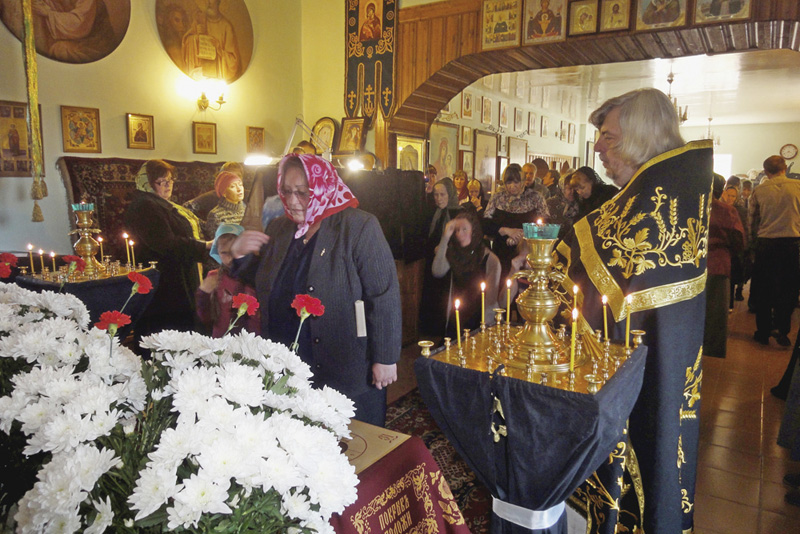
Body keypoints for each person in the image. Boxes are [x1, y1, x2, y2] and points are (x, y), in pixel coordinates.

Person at [559, 88, 712, 534]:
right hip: (640, 362)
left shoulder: (660, 205)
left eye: (608, 136)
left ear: (641, 136)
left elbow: (609, 296)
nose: (598, 148)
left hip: (643, 369)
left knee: (645, 455)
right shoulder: (653, 195)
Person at [230, 154, 401, 427]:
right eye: (286, 191)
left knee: (352, 440)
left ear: (323, 188)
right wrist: (239, 256)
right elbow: (267, 281)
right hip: (288, 363)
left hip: (342, 364)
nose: (292, 200)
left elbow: (384, 295)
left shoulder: (358, 226)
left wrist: (386, 357)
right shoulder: (280, 228)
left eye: (302, 192)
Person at [123, 159, 211, 343]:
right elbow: (166, 243)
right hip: (165, 285)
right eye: (161, 181)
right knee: (168, 336)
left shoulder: (162, 204)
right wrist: (204, 246)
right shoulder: (145, 206)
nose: (168, 185)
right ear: (147, 183)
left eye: (170, 180)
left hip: (176, 278)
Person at [749, 155, 800, 347]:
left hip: (766, 245)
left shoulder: (759, 190)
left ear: (765, 171)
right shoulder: (798, 187)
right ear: (784, 168)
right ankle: (783, 330)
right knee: (788, 290)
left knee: (763, 290)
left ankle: (763, 332)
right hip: (791, 244)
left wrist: (751, 247)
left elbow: (751, 221)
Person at [432, 210, 501, 336]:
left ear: (473, 231)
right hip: (457, 318)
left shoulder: (489, 258)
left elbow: (491, 300)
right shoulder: (453, 253)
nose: (460, 233)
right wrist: (445, 237)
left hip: (480, 320)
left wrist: (486, 328)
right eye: (457, 230)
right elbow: (437, 271)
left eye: (464, 229)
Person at [483, 163, 548, 285]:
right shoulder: (498, 198)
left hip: (527, 255)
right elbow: (485, 224)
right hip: (502, 253)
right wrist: (506, 230)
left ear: (523, 181)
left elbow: (545, 224)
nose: (512, 186)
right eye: (508, 183)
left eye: (516, 182)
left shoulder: (535, 198)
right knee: (503, 287)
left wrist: (522, 235)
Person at [703, 175, 744, 357]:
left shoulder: (689, 206)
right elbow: (738, 239)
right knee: (715, 312)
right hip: (718, 263)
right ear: (721, 190)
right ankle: (711, 351)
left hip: (689, 264)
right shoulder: (727, 211)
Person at [196, 224, 260, 338]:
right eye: (224, 253)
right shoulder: (214, 278)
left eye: (235, 251)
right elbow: (206, 318)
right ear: (217, 252)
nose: (230, 257)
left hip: (254, 342)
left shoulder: (258, 276)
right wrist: (204, 295)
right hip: (222, 342)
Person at [420, 177, 465, 336]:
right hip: (433, 260)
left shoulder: (459, 213)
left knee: (445, 297)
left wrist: (445, 248)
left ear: (450, 194)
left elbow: (462, 239)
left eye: (442, 194)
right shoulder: (435, 212)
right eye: (436, 195)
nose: (438, 198)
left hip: (449, 263)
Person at [182, 0, 240, 82]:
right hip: (199, 73)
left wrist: (218, 49)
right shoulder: (199, 20)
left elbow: (233, 61)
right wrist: (196, 37)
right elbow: (187, 42)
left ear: (218, 2)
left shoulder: (226, 26)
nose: (208, 2)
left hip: (217, 73)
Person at [721, 184, 748, 306]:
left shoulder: (740, 211)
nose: (730, 198)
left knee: (733, 276)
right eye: (729, 195)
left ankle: (731, 302)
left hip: (735, 248)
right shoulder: (720, 208)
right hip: (724, 246)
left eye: (733, 196)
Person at [205, 170, 246, 237]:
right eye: (232, 186)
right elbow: (217, 241)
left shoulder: (247, 210)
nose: (239, 189)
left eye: (240, 185)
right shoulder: (215, 215)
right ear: (224, 193)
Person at [546, 172, 579, 237]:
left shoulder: (581, 204)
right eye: (569, 188)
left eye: (575, 189)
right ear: (562, 188)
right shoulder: (550, 203)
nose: (572, 192)